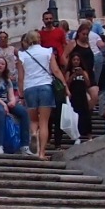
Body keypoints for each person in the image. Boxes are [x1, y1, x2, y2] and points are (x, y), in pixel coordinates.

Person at [18, 31, 65, 160]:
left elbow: (20, 78)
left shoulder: (22, 55)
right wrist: (65, 85)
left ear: (27, 40)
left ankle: (33, 133)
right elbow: (55, 70)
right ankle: (42, 153)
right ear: (39, 39)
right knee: (44, 122)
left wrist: (21, 95)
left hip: (29, 88)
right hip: (45, 86)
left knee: (33, 120)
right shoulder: (48, 51)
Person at [0, 55, 31, 154]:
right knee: (0, 111)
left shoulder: (7, 79)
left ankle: (25, 145)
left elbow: (11, 94)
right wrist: (3, 104)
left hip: (5, 102)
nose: (0, 66)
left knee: (24, 112)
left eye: (2, 64)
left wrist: (12, 102)